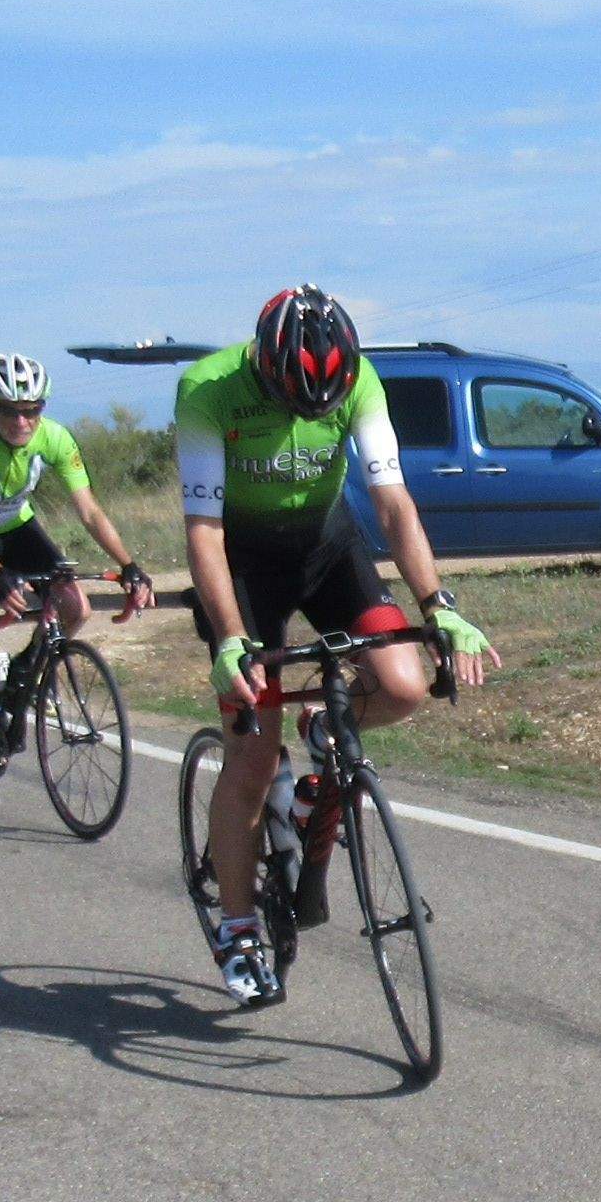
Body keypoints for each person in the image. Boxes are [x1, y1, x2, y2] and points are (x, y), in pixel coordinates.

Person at [178, 283, 499, 1008]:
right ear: (264, 368)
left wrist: (438, 606)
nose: (306, 416)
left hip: (326, 548)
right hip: (242, 565)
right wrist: (230, 639)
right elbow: (203, 529)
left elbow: (392, 502)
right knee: (252, 757)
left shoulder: (360, 379)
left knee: (405, 685)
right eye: (293, 402)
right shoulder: (207, 390)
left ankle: (324, 735)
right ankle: (238, 927)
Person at [0, 353, 154, 802]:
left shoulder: (55, 438)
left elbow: (89, 511)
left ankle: (23, 673)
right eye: (10, 410)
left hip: (15, 526)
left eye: (31, 410)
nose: (21, 421)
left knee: (76, 608)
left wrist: (129, 564)